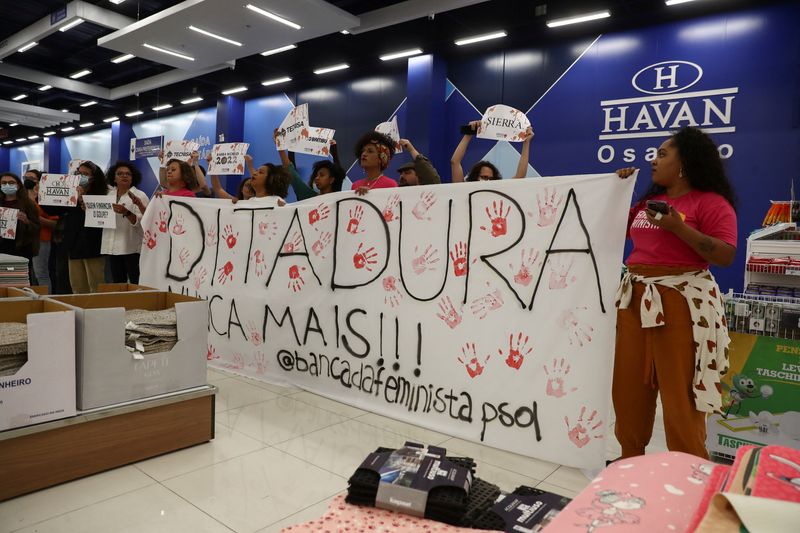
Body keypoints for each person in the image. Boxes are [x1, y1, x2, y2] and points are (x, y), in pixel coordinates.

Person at [613, 126, 737, 460]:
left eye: (664, 153)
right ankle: (629, 462)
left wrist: (678, 227)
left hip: (682, 304)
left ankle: (689, 473)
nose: (654, 160)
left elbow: (724, 255)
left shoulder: (710, 203)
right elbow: (609, 225)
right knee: (628, 389)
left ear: (684, 163)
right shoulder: (647, 204)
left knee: (682, 397)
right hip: (635, 300)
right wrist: (617, 188)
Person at [43, 161, 109, 293]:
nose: (81, 176)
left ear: (94, 177)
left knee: (95, 285)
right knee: (77, 285)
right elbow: (51, 210)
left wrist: (83, 198)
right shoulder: (70, 192)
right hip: (73, 244)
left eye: (86, 174)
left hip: (94, 246)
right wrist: (43, 194)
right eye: (79, 173)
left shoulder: (103, 194)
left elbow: (103, 218)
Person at [101, 162, 149, 284]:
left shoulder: (140, 195)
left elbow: (144, 222)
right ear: (114, 178)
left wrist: (127, 213)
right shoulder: (108, 195)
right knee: (117, 284)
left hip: (132, 248)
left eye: (128, 174)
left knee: (136, 283)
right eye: (120, 174)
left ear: (133, 178)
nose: (124, 176)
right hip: (112, 247)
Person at [272, 128, 346, 200]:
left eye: (322, 175)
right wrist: (280, 146)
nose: (316, 178)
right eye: (316, 175)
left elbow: (339, 175)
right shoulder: (308, 197)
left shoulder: (338, 198)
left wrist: (334, 149)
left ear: (331, 180)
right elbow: (292, 173)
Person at [451, 121, 534, 182]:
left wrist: (526, 143)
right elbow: (455, 162)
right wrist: (468, 134)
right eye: (484, 177)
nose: (488, 181)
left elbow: (520, 176)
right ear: (474, 177)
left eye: (491, 179)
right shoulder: (463, 190)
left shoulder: (497, 192)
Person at [0, 172, 40, 285]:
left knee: (20, 280)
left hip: (21, 248)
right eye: (4, 183)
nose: (7, 185)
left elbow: (36, 227)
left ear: (18, 185)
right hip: (2, 248)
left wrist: (27, 222)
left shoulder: (28, 204)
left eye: (11, 182)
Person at [24, 170, 58, 291]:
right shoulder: (20, 197)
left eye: (32, 178)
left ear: (39, 181)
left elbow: (54, 223)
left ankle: (46, 299)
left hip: (41, 240)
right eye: (26, 177)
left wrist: (35, 218)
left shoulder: (44, 198)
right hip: (23, 240)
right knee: (27, 273)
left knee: (41, 273)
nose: (28, 180)